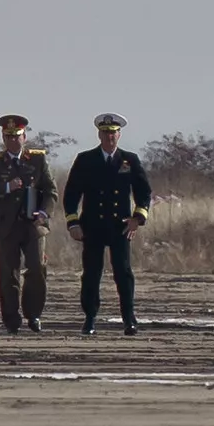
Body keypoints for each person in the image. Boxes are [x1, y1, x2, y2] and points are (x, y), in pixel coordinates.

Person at [63, 112, 152, 336]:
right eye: (105, 133)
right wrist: (73, 222)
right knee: (91, 273)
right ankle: (90, 318)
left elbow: (143, 192)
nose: (109, 137)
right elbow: (71, 194)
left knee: (124, 273)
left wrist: (137, 218)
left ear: (119, 135)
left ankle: (129, 319)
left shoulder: (129, 160)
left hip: (120, 227)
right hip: (92, 226)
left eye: (113, 133)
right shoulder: (85, 159)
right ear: (99, 135)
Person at [0, 114, 57, 333]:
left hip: (33, 225)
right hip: (5, 225)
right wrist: (7, 187)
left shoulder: (37, 159)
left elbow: (51, 191)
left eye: (16, 136)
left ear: (24, 137)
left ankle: (33, 314)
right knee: (8, 274)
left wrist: (44, 212)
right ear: (3, 138)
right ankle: (11, 319)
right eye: (8, 137)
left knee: (36, 268)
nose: (13, 141)